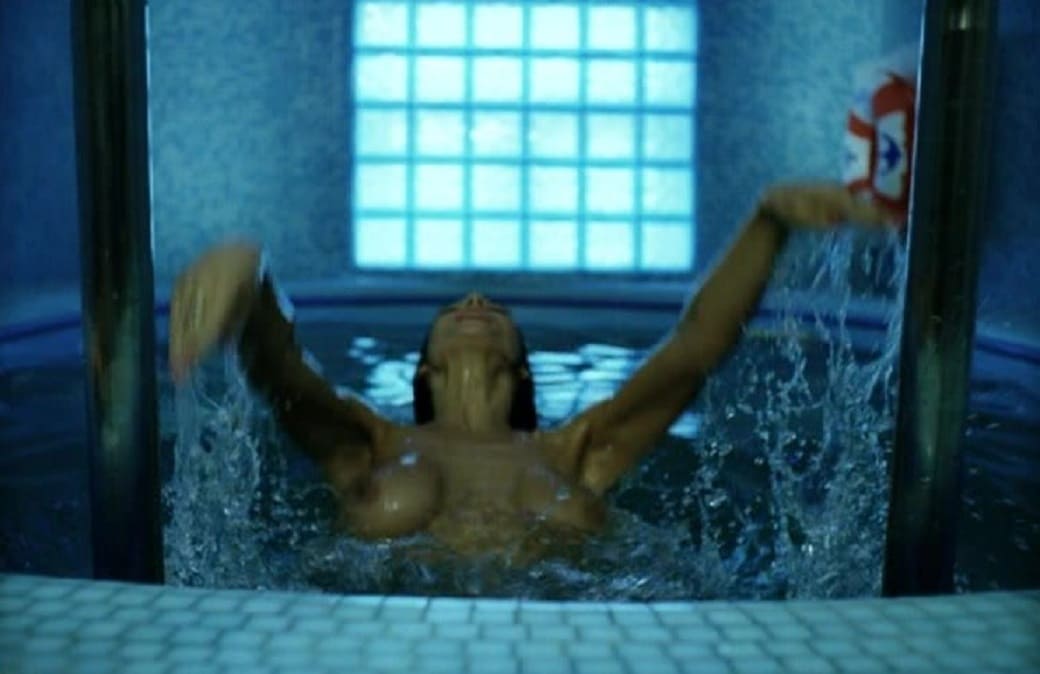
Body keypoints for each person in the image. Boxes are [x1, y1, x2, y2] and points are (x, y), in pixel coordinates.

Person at [169, 182, 895, 558]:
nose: (475, 301)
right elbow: (280, 366)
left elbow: (695, 347)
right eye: (456, 307)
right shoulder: (368, 444)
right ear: (423, 367)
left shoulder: (579, 451)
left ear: (522, 368)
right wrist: (248, 268)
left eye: (493, 307)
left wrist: (769, 219)